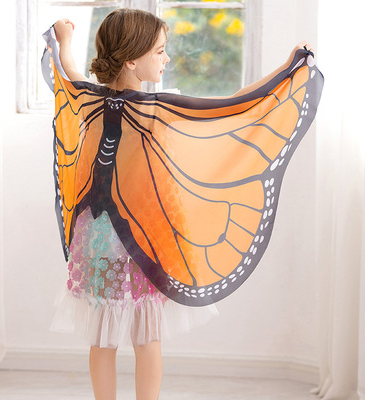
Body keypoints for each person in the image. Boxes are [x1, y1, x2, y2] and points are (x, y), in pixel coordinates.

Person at [45, 8, 321, 400]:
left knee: (103, 337)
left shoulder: (86, 99)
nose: (167, 58)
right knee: (146, 335)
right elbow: (233, 104)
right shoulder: (158, 109)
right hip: (142, 235)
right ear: (132, 61)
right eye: (160, 51)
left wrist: (65, 41)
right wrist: (285, 72)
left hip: (98, 234)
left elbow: (69, 72)